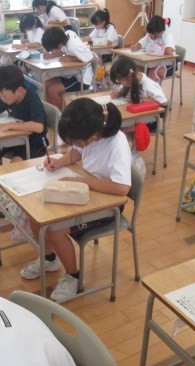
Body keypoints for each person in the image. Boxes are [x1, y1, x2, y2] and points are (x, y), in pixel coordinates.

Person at [20, 98, 131, 302]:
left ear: (93, 136)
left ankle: (74, 277)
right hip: (85, 192)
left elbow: (122, 187)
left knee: (55, 228)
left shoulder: (117, 143)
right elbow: (77, 152)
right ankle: (49, 259)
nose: (73, 144)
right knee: (36, 212)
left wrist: (82, 181)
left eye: (74, 140)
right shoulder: (91, 131)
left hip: (107, 206)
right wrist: (60, 162)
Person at [0, 65, 48, 192]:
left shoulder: (32, 98)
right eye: (0, 95)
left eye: (4, 96)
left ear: (18, 91)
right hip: (13, 139)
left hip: (34, 142)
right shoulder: (7, 95)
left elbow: (39, 127)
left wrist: (8, 126)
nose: (1, 99)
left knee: (14, 165)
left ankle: (6, 189)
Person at [109, 55, 167, 134]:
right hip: (134, 117)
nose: (120, 83)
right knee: (112, 126)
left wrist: (145, 100)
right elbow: (126, 91)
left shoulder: (148, 85)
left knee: (118, 130)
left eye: (121, 80)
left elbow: (164, 103)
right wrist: (119, 93)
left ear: (130, 76)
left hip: (148, 122)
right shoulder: (130, 81)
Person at [41, 27, 93, 111]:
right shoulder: (67, 34)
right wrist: (52, 55)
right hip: (71, 74)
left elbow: (90, 58)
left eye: (53, 49)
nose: (53, 51)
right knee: (46, 84)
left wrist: (71, 58)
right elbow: (63, 50)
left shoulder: (73, 46)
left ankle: (61, 115)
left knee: (52, 90)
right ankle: (52, 112)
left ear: (59, 45)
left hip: (82, 78)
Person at [131, 16, 175, 82]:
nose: (150, 36)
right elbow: (142, 43)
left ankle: (149, 88)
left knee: (152, 73)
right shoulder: (150, 34)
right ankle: (138, 88)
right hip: (153, 63)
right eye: (149, 33)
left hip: (168, 65)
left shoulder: (167, 35)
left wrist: (158, 48)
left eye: (153, 34)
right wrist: (136, 47)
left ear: (160, 32)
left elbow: (169, 51)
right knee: (137, 68)